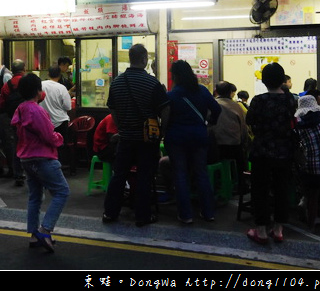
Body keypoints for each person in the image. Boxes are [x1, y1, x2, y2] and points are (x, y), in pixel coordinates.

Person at [102, 44, 169, 227]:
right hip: (147, 140)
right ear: (144, 59)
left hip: (125, 138)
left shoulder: (116, 82)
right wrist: (161, 131)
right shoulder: (152, 83)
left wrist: (122, 127)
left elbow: (112, 110)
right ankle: (142, 216)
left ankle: (110, 213)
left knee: (119, 176)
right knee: (144, 177)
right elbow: (165, 111)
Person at [11, 73, 70, 253]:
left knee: (35, 196)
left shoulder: (20, 109)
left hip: (26, 159)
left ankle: (34, 234)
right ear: (38, 90)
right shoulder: (36, 110)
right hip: (43, 158)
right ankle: (45, 230)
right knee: (62, 191)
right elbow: (48, 136)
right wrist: (59, 137)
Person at [245, 62, 297, 244]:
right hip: (284, 152)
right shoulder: (291, 100)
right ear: (283, 80)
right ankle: (278, 229)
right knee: (281, 189)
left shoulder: (259, 100)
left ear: (264, 81)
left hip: (262, 151)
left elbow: (249, 120)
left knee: (260, 190)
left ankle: (261, 231)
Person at [164, 60, 221, 224]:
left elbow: (166, 117)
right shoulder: (202, 91)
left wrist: (164, 131)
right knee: (201, 173)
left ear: (174, 76)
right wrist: (210, 123)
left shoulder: (171, 95)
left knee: (180, 175)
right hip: (199, 137)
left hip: (177, 138)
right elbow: (217, 109)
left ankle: (186, 214)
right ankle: (208, 212)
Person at [209, 81, 248, 188]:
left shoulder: (212, 104)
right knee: (241, 159)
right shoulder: (237, 106)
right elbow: (243, 127)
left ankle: (218, 184)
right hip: (234, 146)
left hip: (216, 147)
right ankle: (242, 183)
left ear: (216, 91)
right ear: (231, 92)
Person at [0, 59, 27, 186]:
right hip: (29, 119)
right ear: (24, 69)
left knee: (17, 146)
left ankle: (18, 174)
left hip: (14, 120)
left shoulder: (7, 85)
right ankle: (33, 172)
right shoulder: (28, 82)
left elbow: (2, 103)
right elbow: (41, 96)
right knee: (31, 144)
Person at [40, 65, 72, 164]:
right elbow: (68, 106)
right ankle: (58, 167)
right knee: (60, 146)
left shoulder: (40, 85)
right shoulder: (62, 88)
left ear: (48, 74)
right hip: (60, 121)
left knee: (44, 146)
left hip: (43, 121)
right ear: (60, 75)